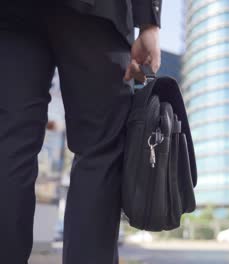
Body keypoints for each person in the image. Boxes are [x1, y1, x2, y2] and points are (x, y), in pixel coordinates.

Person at [0, 0, 162, 263]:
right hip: (97, 11)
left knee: (8, 144)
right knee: (100, 149)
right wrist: (149, 22)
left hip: (11, 14)